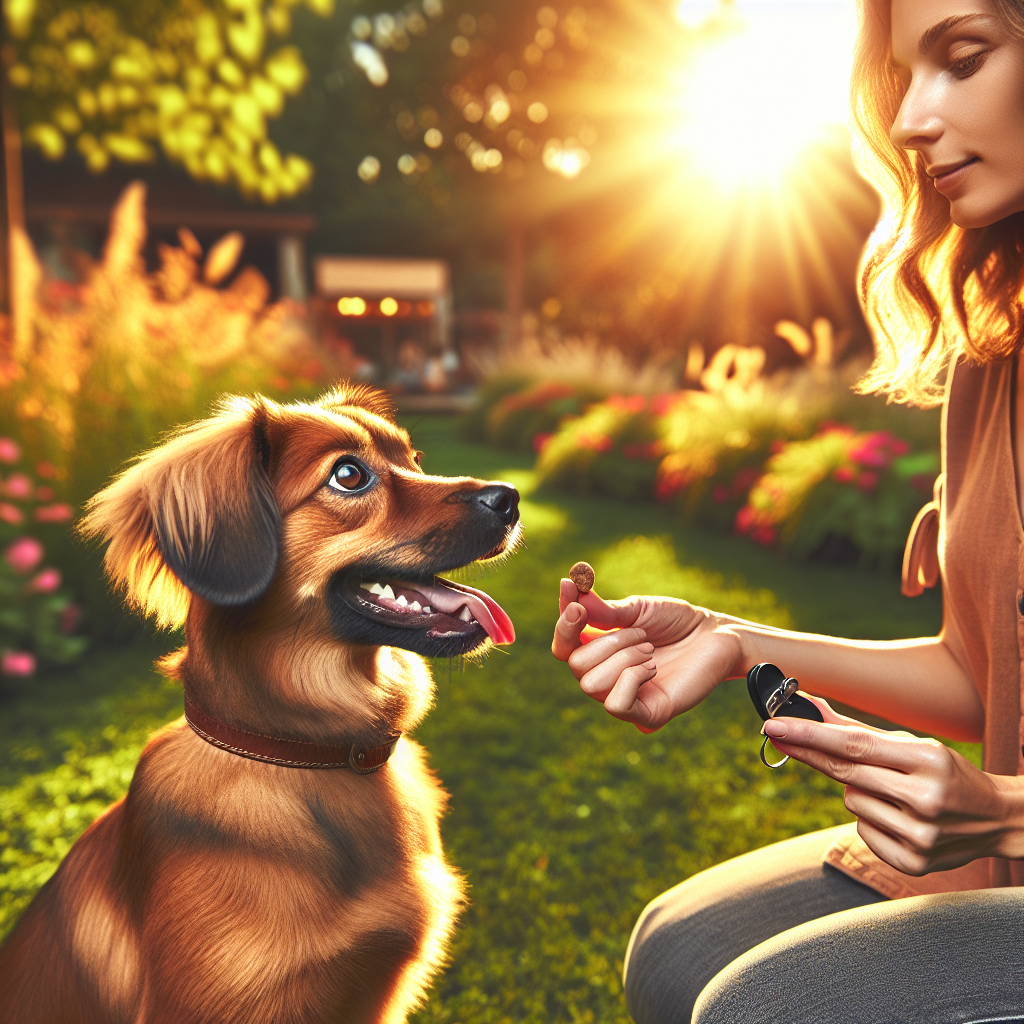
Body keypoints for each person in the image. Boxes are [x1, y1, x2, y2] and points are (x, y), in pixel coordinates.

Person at [551, 0, 1024, 1020]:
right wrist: (728, 640)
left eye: (964, 57)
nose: (908, 121)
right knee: (676, 949)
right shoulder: (994, 356)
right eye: (908, 76)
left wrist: (1002, 813)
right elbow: (982, 680)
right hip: (1004, 854)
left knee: (756, 1007)